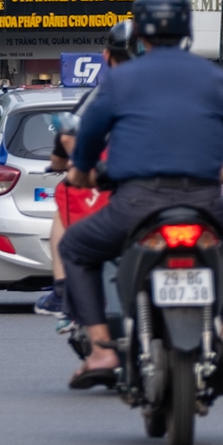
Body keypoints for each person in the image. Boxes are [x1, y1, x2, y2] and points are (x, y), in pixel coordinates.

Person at [60, 0, 223, 389]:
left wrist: (81, 172)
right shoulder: (214, 76)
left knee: (74, 249)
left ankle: (100, 349)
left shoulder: (121, 79)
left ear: (140, 30)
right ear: (186, 25)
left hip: (134, 205)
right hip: (204, 204)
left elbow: (89, 139)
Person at [38, 22, 137, 321]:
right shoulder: (181, 87)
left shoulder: (109, 91)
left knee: (71, 235)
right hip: (182, 191)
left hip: (125, 192)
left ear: (107, 56)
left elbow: (68, 133)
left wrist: (72, 165)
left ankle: (63, 290)